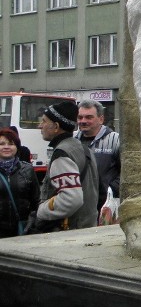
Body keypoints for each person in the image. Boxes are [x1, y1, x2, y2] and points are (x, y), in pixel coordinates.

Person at [27, 101, 99, 233]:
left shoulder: (62, 153)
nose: (40, 126)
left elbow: (71, 199)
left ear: (56, 126)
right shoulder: (83, 148)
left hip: (69, 233)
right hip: (87, 229)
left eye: (43, 121)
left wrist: (41, 211)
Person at [75, 100, 121, 211]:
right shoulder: (74, 142)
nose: (83, 121)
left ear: (101, 119)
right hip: (79, 206)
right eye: (80, 117)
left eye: (89, 117)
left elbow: (127, 171)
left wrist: (110, 189)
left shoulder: (115, 140)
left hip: (106, 206)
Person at [0, 128, 40, 238]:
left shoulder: (27, 169)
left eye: (11, 144)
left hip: (22, 229)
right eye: (2, 144)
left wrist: (32, 221)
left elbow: (36, 200)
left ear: (17, 147)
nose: (6, 147)